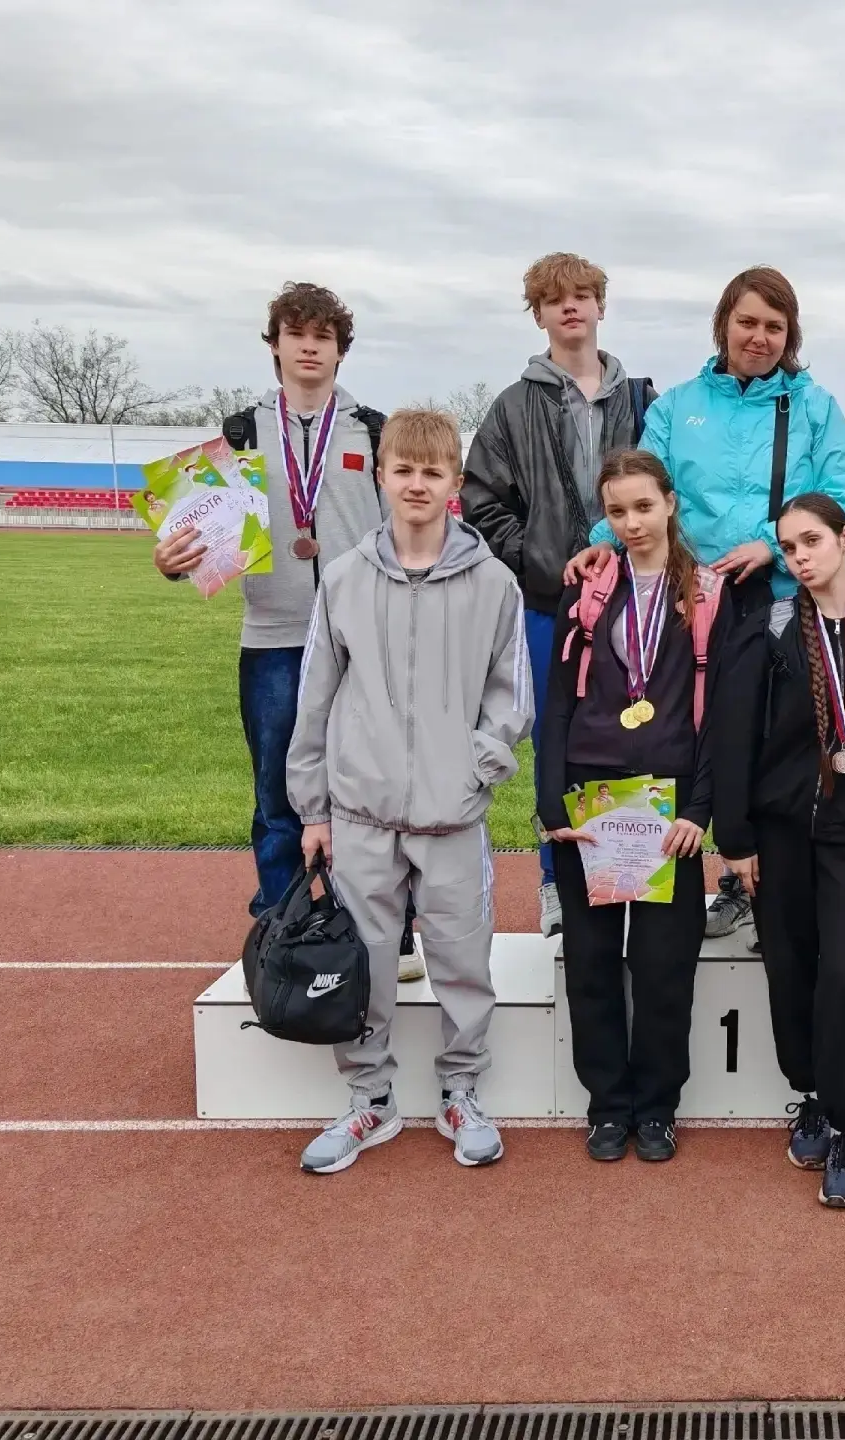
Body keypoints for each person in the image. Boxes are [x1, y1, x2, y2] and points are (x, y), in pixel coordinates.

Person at [564, 267, 845, 943]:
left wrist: (771, 544)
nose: (759, 337)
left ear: (790, 335)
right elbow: (642, 487)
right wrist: (599, 544)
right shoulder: (677, 406)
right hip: (693, 604)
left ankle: (775, 886)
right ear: (723, 323)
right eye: (747, 322)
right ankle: (704, 875)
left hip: (781, 599)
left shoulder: (814, 407)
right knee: (705, 736)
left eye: (774, 327)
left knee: (780, 743)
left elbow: (843, 494)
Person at [285, 409, 534, 1173]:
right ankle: (371, 1099)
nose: (417, 484)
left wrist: (476, 766)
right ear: (382, 477)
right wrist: (314, 807)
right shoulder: (344, 578)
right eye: (404, 470)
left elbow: (512, 695)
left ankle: (461, 1091)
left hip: (452, 815)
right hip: (361, 813)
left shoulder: (493, 583)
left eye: (432, 471)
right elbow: (315, 696)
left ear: (455, 483)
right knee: (364, 963)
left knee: (463, 960)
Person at [154, 284, 425, 980]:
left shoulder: (374, 430)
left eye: (323, 336)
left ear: (340, 350)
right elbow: (200, 541)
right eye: (296, 334)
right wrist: (172, 563)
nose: (310, 347)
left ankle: (390, 934)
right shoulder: (238, 434)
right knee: (277, 798)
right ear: (274, 345)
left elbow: (408, 531)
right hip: (272, 637)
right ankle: (283, 934)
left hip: (362, 641)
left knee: (377, 792)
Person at [712, 494, 845, 1208]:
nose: (799, 557)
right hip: (782, 837)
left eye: (811, 542)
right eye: (789, 547)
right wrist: (736, 839)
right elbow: (734, 736)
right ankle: (815, 1098)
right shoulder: (769, 628)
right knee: (792, 973)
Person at [538, 449, 734, 1164]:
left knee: (662, 966)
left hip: (668, 807)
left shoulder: (710, 594)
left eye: (644, 506)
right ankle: (606, 1105)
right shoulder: (588, 590)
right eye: (617, 511)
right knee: (590, 962)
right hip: (590, 801)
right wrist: (553, 805)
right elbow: (558, 701)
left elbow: (719, 719)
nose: (632, 523)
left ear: (671, 503)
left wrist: (699, 811)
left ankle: (656, 1107)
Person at [462, 254, 657, 941]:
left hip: (634, 601)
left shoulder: (643, 402)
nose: (569, 307)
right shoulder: (513, 406)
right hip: (551, 605)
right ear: (539, 314)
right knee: (558, 742)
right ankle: (555, 880)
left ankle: (632, 873)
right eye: (554, 299)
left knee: (637, 735)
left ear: (600, 305)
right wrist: (544, 565)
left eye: (581, 295)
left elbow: (666, 490)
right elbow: (483, 501)